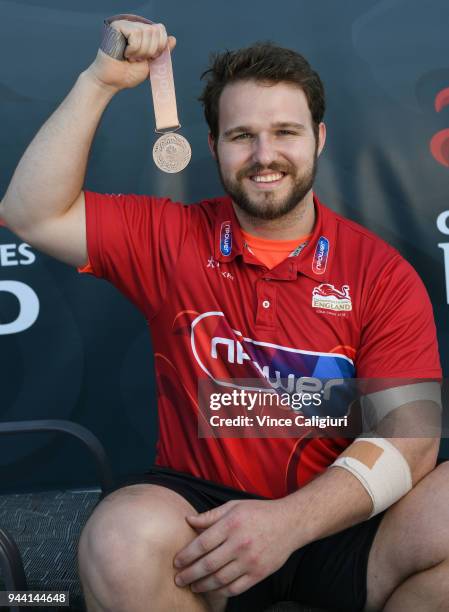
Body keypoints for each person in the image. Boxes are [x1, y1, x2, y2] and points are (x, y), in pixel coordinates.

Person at [0, 17, 446, 612]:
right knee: (119, 539)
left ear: (320, 137)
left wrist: (287, 524)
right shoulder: (171, 236)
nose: (265, 156)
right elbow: (29, 212)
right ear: (213, 146)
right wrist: (101, 80)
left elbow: (410, 441)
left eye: (285, 131)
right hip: (206, 519)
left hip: (345, 517)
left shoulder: (379, 271)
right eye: (242, 136)